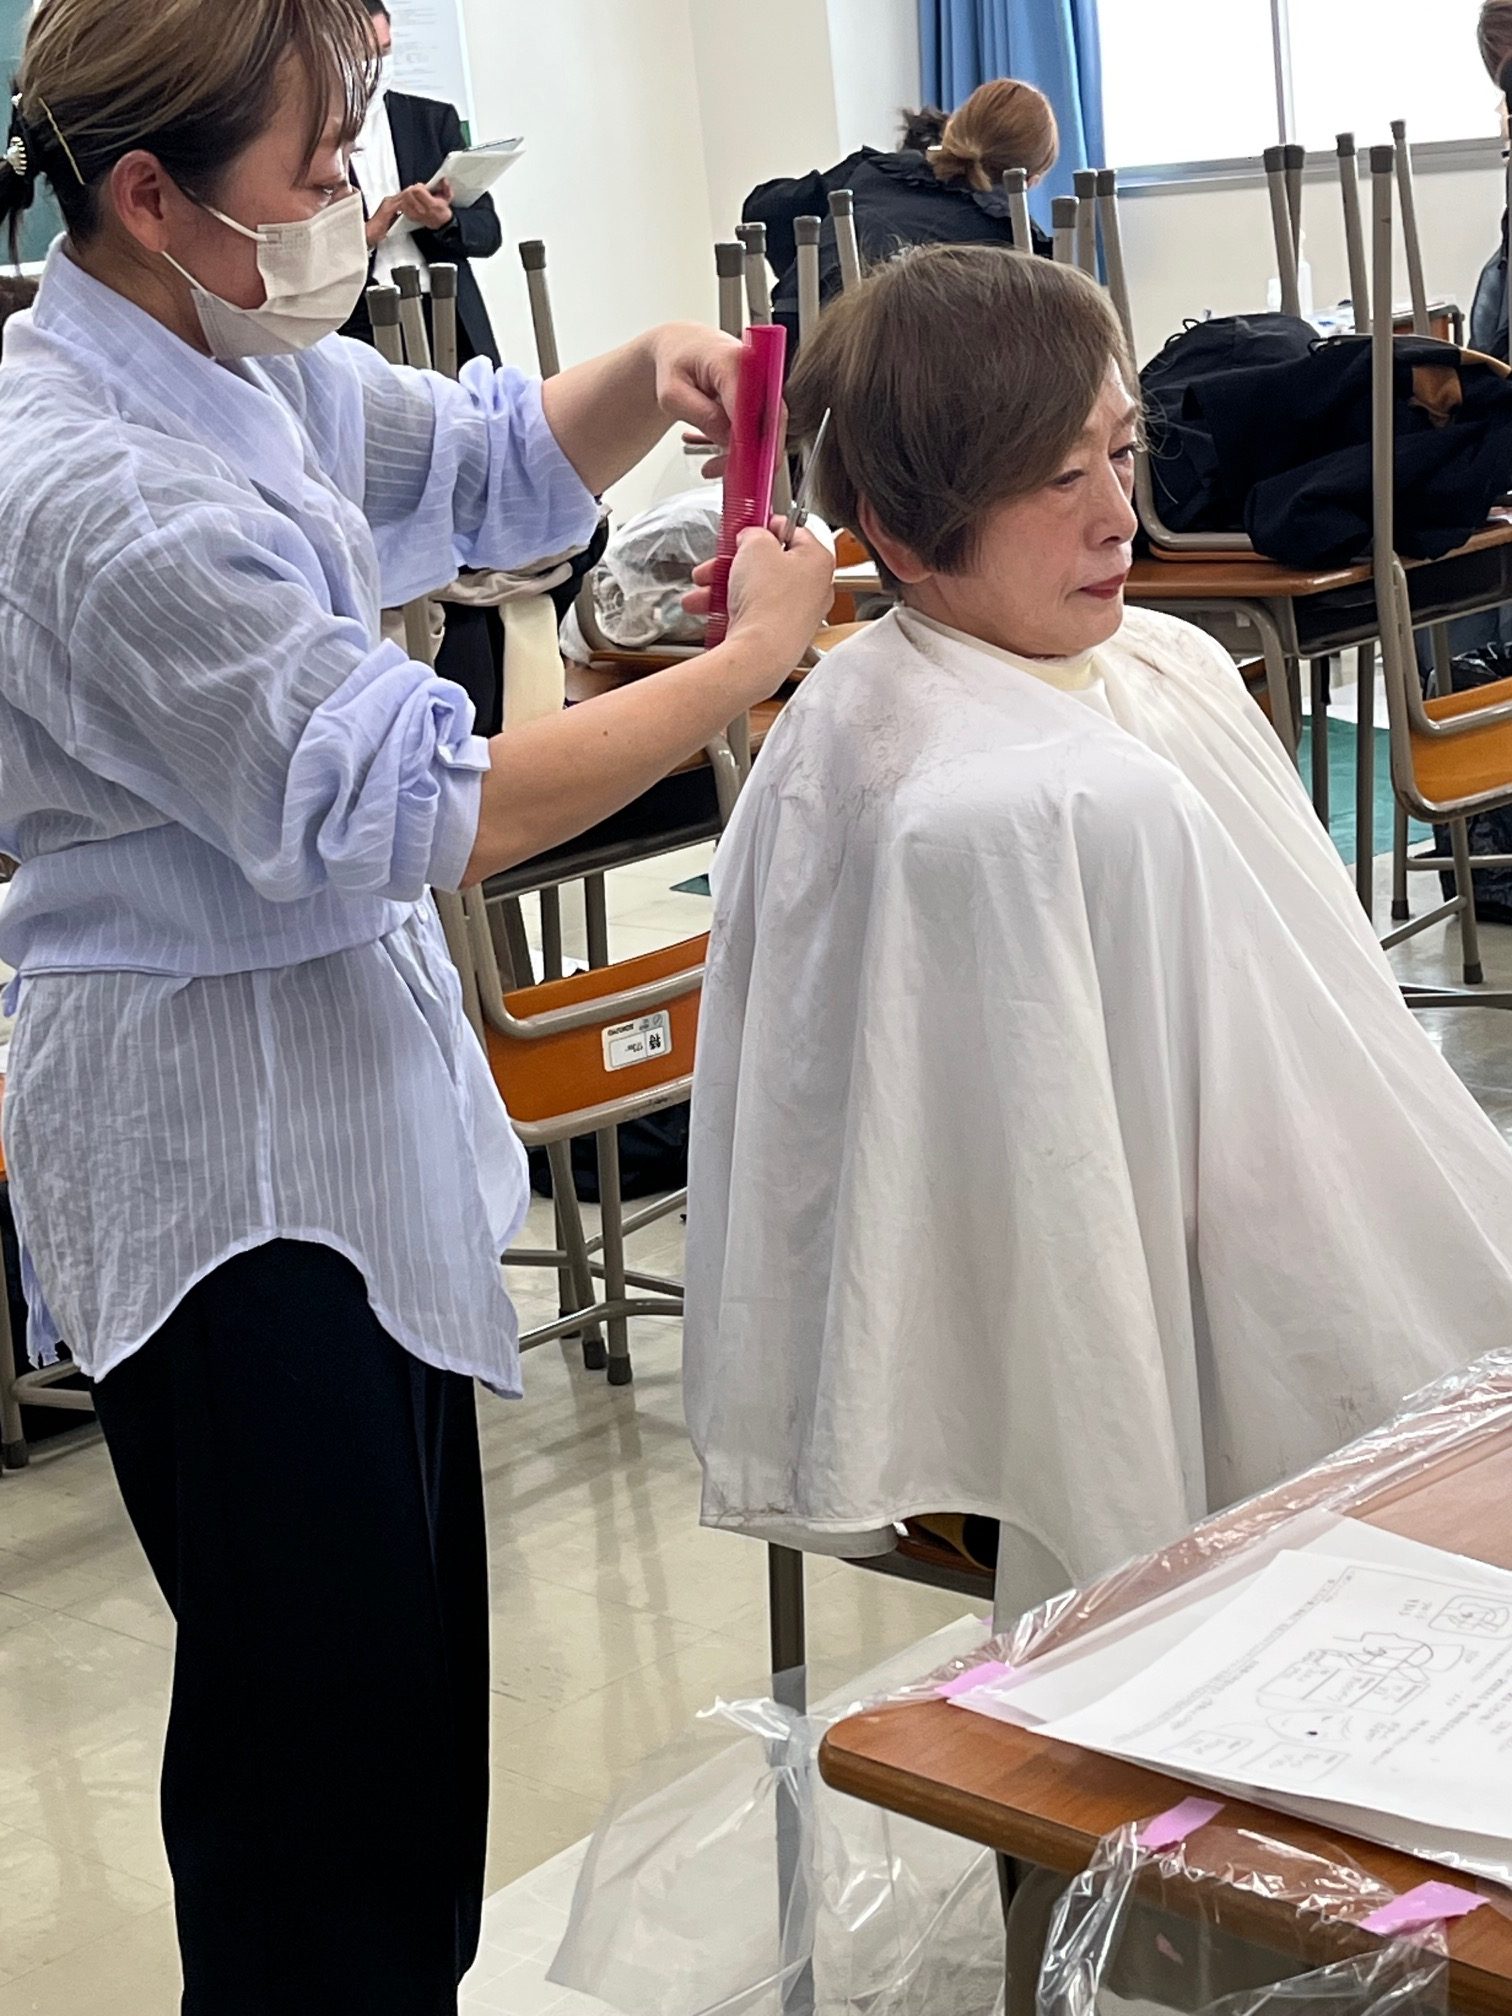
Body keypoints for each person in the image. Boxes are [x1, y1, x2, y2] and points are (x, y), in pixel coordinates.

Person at [0, 0, 833, 2007]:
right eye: (311, 169)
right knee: (318, 1811)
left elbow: (473, 463)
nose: (350, 207)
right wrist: (738, 674)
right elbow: (420, 806)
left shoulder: (232, 357)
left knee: (391, 1756)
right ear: (148, 196)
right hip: (225, 1178)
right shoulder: (85, 483)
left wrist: (649, 366)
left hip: (345, 1136)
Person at [683, 244, 1512, 1622]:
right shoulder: (1005, 803)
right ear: (901, 530)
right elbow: (1078, 1239)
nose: (1121, 519)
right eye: (1059, 479)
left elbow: (1325, 1034)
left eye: (1124, 455)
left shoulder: (1170, 666)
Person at [744, 77, 1056, 341]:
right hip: (924, 383)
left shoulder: (870, 172)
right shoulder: (1024, 249)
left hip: (802, 357)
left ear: (954, 128)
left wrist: (817, 272)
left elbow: (765, 210)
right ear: (1032, 179)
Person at [344, 0, 502, 366]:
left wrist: (444, 219)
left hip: (446, 307)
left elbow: (488, 232)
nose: (375, 66)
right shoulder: (308, 136)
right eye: (361, 55)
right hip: (360, 320)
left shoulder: (432, 120)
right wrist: (365, 236)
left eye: (384, 51)